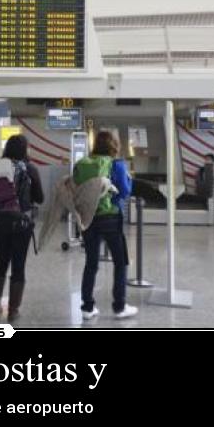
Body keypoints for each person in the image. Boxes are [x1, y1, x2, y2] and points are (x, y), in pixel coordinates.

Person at [74, 131, 136, 320]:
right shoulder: (116, 164)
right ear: (113, 146)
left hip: (89, 218)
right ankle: (119, 306)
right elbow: (125, 191)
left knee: (91, 263)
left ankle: (87, 307)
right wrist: (118, 193)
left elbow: (76, 187)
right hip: (110, 218)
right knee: (120, 262)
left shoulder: (83, 164)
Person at [0, 134, 43, 321]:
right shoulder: (30, 168)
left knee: (1, 262)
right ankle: (13, 310)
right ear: (24, 149)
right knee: (18, 265)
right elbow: (40, 197)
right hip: (21, 223)